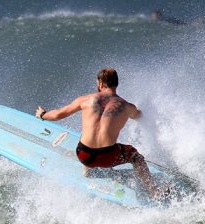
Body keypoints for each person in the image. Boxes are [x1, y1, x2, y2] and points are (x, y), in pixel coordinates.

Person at [35, 68, 163, 198]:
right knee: (137, 158)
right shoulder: (126, 106)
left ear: (100, 83)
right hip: (109, 158)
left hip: (84, 155)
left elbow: (57, 115)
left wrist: (43, 114)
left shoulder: (85, 100)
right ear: (116, 84)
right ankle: (153, 191)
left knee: (87, 130)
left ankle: (87, 170)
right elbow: (140, 117)